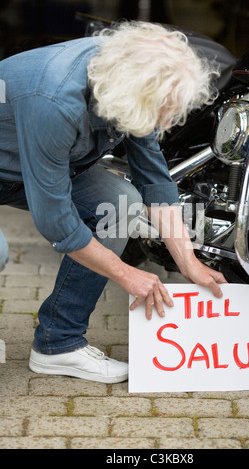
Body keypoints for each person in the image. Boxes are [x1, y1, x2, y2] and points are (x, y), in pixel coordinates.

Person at [0, 21, 226, 384]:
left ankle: (59, 345)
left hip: (37, 161)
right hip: (14, 158)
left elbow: (153, 178)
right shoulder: (55, 102)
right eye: (162, 113)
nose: (164, 122)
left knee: (119, 204)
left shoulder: (135, 80)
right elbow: (56, 221)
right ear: (132, 92)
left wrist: (189, 262)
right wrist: (125, 274)